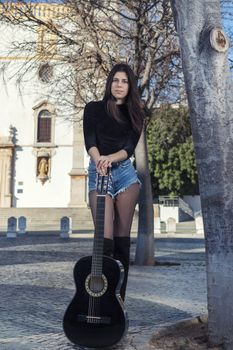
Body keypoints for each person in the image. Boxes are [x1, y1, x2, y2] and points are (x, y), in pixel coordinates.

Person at [83, 63, 144, 301]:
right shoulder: (93, 109)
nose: (119, 85)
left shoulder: (137, 114)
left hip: (125, 176)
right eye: (116, 80)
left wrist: (111, 159)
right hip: (99, 172)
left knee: (121, 244)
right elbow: (90, 141)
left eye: (125, 81)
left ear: (130, 87)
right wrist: (100, 161)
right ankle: (100, 299)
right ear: (110, 83)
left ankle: (119, 302)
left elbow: (128, 149)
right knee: (104, 243)